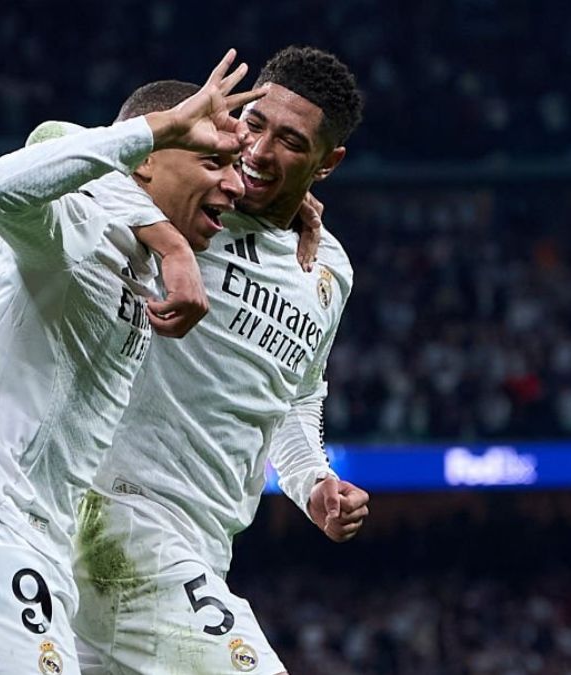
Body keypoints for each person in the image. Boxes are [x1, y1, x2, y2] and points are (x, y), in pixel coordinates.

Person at [0, 50, 264, 675]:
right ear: (145, 158)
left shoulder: (143, 266)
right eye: (212, 161)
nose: (233, 182)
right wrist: (156, 130)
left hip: (35, 545)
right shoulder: (80, 220)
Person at [72, 46, 370, 674]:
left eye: (291, 141)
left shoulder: (329, 270)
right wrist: (169, 246)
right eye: (254, 124)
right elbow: (57, 150)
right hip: (122, 514)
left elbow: (295, 394)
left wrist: (313, 481)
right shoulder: (190, 198)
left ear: (328, 163)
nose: (259, 153)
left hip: (206, 542)